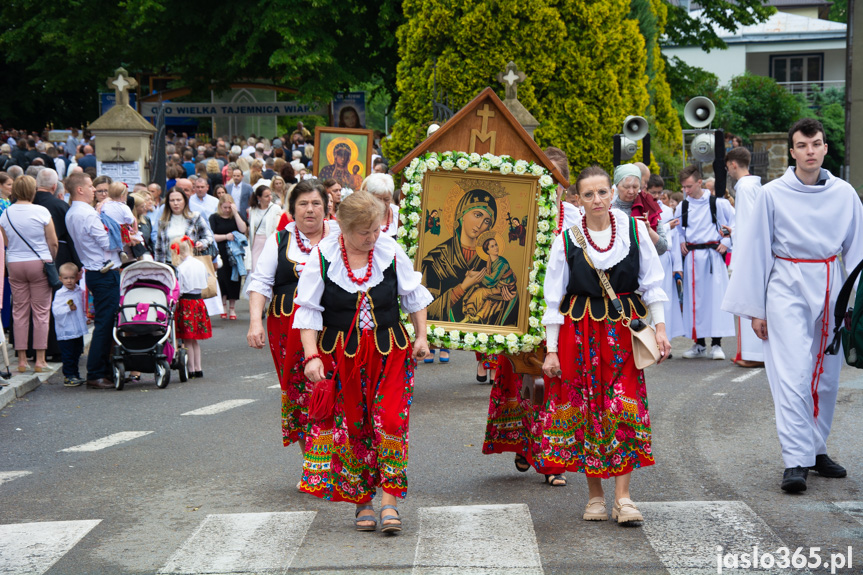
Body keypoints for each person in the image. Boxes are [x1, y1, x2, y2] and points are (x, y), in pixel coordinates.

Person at [722, 118, 863, 493]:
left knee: (828, 376)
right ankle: (795, 460)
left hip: (831, 281)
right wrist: (756, 309)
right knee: (794, 373)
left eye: (816, 144)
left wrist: (856, 304)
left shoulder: (845, 194)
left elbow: (858, 251)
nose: (810, 151)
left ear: (825, 148)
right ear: (793, 150)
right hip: (787, 281)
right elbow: (754, 250)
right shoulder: (773, 194)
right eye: (802, 145)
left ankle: (816, 449)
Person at [539, 165, 671, 523]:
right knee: (586, 409)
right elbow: (553, 299)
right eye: (588, 194)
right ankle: (595, 496)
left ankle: (623, 498)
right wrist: (551, 349)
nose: (596, 200)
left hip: (624, 333)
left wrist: (660, 329)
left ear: (612, 193)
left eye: (602, 192)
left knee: (624, 406)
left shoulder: (634, 230)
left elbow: (652, 284)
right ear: (577, 199)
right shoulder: (565, 239)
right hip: (578, 332)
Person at [295, 190, 431, 533]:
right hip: (342, 355)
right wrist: (311, 356)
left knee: (391, 421)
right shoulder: (323, 256)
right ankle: (361, 502)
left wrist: (422, 336)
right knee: (354, 426)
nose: (372, 237)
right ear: (343, 228)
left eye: (375, 229)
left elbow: (413, 295)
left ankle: (389, 500)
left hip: (390, 350)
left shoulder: (389, 249)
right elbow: (308, 310)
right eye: (364, 232)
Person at [245, 180, 336, 462]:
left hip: (334, 325)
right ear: (293, 209)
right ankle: (312, 462)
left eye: (316, 203)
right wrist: (255, 322)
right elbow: (260, 282)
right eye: (303, 204)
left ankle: (337, 460)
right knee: (298, 391)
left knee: (333, 386)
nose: (310, 210)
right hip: (287, 327)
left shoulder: (340, 237)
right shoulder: (279, 239)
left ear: (326, 207)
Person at [673, 165, 735, 359]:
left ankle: (717, 343)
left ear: (700, 182)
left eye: (689, 186)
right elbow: (677, 231)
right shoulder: (682, 206)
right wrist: (682, 241)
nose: (686, 190)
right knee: (695, 300)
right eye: (684, 187)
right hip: (692, 257)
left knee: (715, 298)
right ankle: (698, 343)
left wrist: (725, 241)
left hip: (712, 256)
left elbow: (736, 223)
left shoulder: (718, 204)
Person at [65, 172, 120, 388]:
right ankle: (96, 373)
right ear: (80, 189)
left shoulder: (73, 212)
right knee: (105, 324)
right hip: (103, 271)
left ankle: (102, 370)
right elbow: (108, 243)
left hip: (95, 271)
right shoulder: (86, 213)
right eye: (90, 186)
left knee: (104, 323)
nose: (94, 190)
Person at [0, 175, 58, 373]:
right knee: (41, 312)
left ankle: (22, 359)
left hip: (15, 263)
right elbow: (53, 241)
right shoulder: (41, 211)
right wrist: (51, 258)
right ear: (33, 190)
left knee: (19, 311)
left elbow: (6, 241)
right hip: (39, 262)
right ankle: (40, 359)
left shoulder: (6, 213)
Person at [724, 147, 765, 369]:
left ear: (733, 164)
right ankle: (747, 352)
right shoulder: (751, 185)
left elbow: (751, 223)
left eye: (728, 167)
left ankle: (753, 354)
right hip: (748, 249)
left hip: (748, 253)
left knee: (747, 302)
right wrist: (733, 230)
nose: (729, 172)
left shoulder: (746, 187)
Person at [172, 237, 212, 378]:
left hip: (186, 303)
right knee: (194, 339)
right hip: (198, 302)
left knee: (188, 339)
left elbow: (180, 289)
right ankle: (198, 367)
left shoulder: (181, 268)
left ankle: (191, 369)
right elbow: (206, 281)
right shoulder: (200, 264)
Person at [611, 164, 667, 255]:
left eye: (635, 187)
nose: (631, 191)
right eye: (626, 187)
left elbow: (663, 247)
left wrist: (648, 230)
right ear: (617, 186)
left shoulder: (649, 206)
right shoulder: (608, 209)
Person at [209, 195, 247, 320]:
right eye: (225, 207)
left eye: (229, 207)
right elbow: (211, 235)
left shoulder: (235, 216)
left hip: (234, 252)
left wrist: (235, 213)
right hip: (220, 251)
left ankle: (232, 307)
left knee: (234, 279)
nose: (227, 210)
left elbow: (243, 229)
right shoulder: (214, 217)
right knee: (222, 278)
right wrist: (226, 236)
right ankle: (223, 305)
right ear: (220, 206)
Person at [154, 188, 214, 264]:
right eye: (172, 200)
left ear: (185, 201)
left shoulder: (195, 217)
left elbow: (208, 237)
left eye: (179, 200)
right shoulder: (163, 221)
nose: (175, 203)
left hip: (190, 263)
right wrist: (159, 267)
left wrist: (202, 243)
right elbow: (159, 248)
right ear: (168, 203)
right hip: (169, 263)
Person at [52, 262, 87, 387]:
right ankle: (68, 376)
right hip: (66, 331)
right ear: (60, 278)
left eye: (72, 278)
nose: (69, 281)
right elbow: (56, 311)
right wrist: (68, 308)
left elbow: (83, 307)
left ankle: (75, 374)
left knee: (77, 353)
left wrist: (86, 317)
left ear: (76, 277)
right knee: (68, 355)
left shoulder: (79, 291)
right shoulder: (60, 294)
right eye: (66, 278)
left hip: (77, 329)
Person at [246, 185, 283, 272]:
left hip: (269, 240)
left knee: (268, 268)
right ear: (259, 197)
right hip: (256, 242)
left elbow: (278, 226)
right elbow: (251, 227)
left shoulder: (275, 208)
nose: (270, 198)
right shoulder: (253, 210)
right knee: (255, 268)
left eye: (270, 195)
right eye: (266, 196)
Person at [359, 173, 398, 237]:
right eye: (378, 199)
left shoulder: (397, 214)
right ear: (370, 196)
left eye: (386, 199)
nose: (382, 204)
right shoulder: (361, 214)